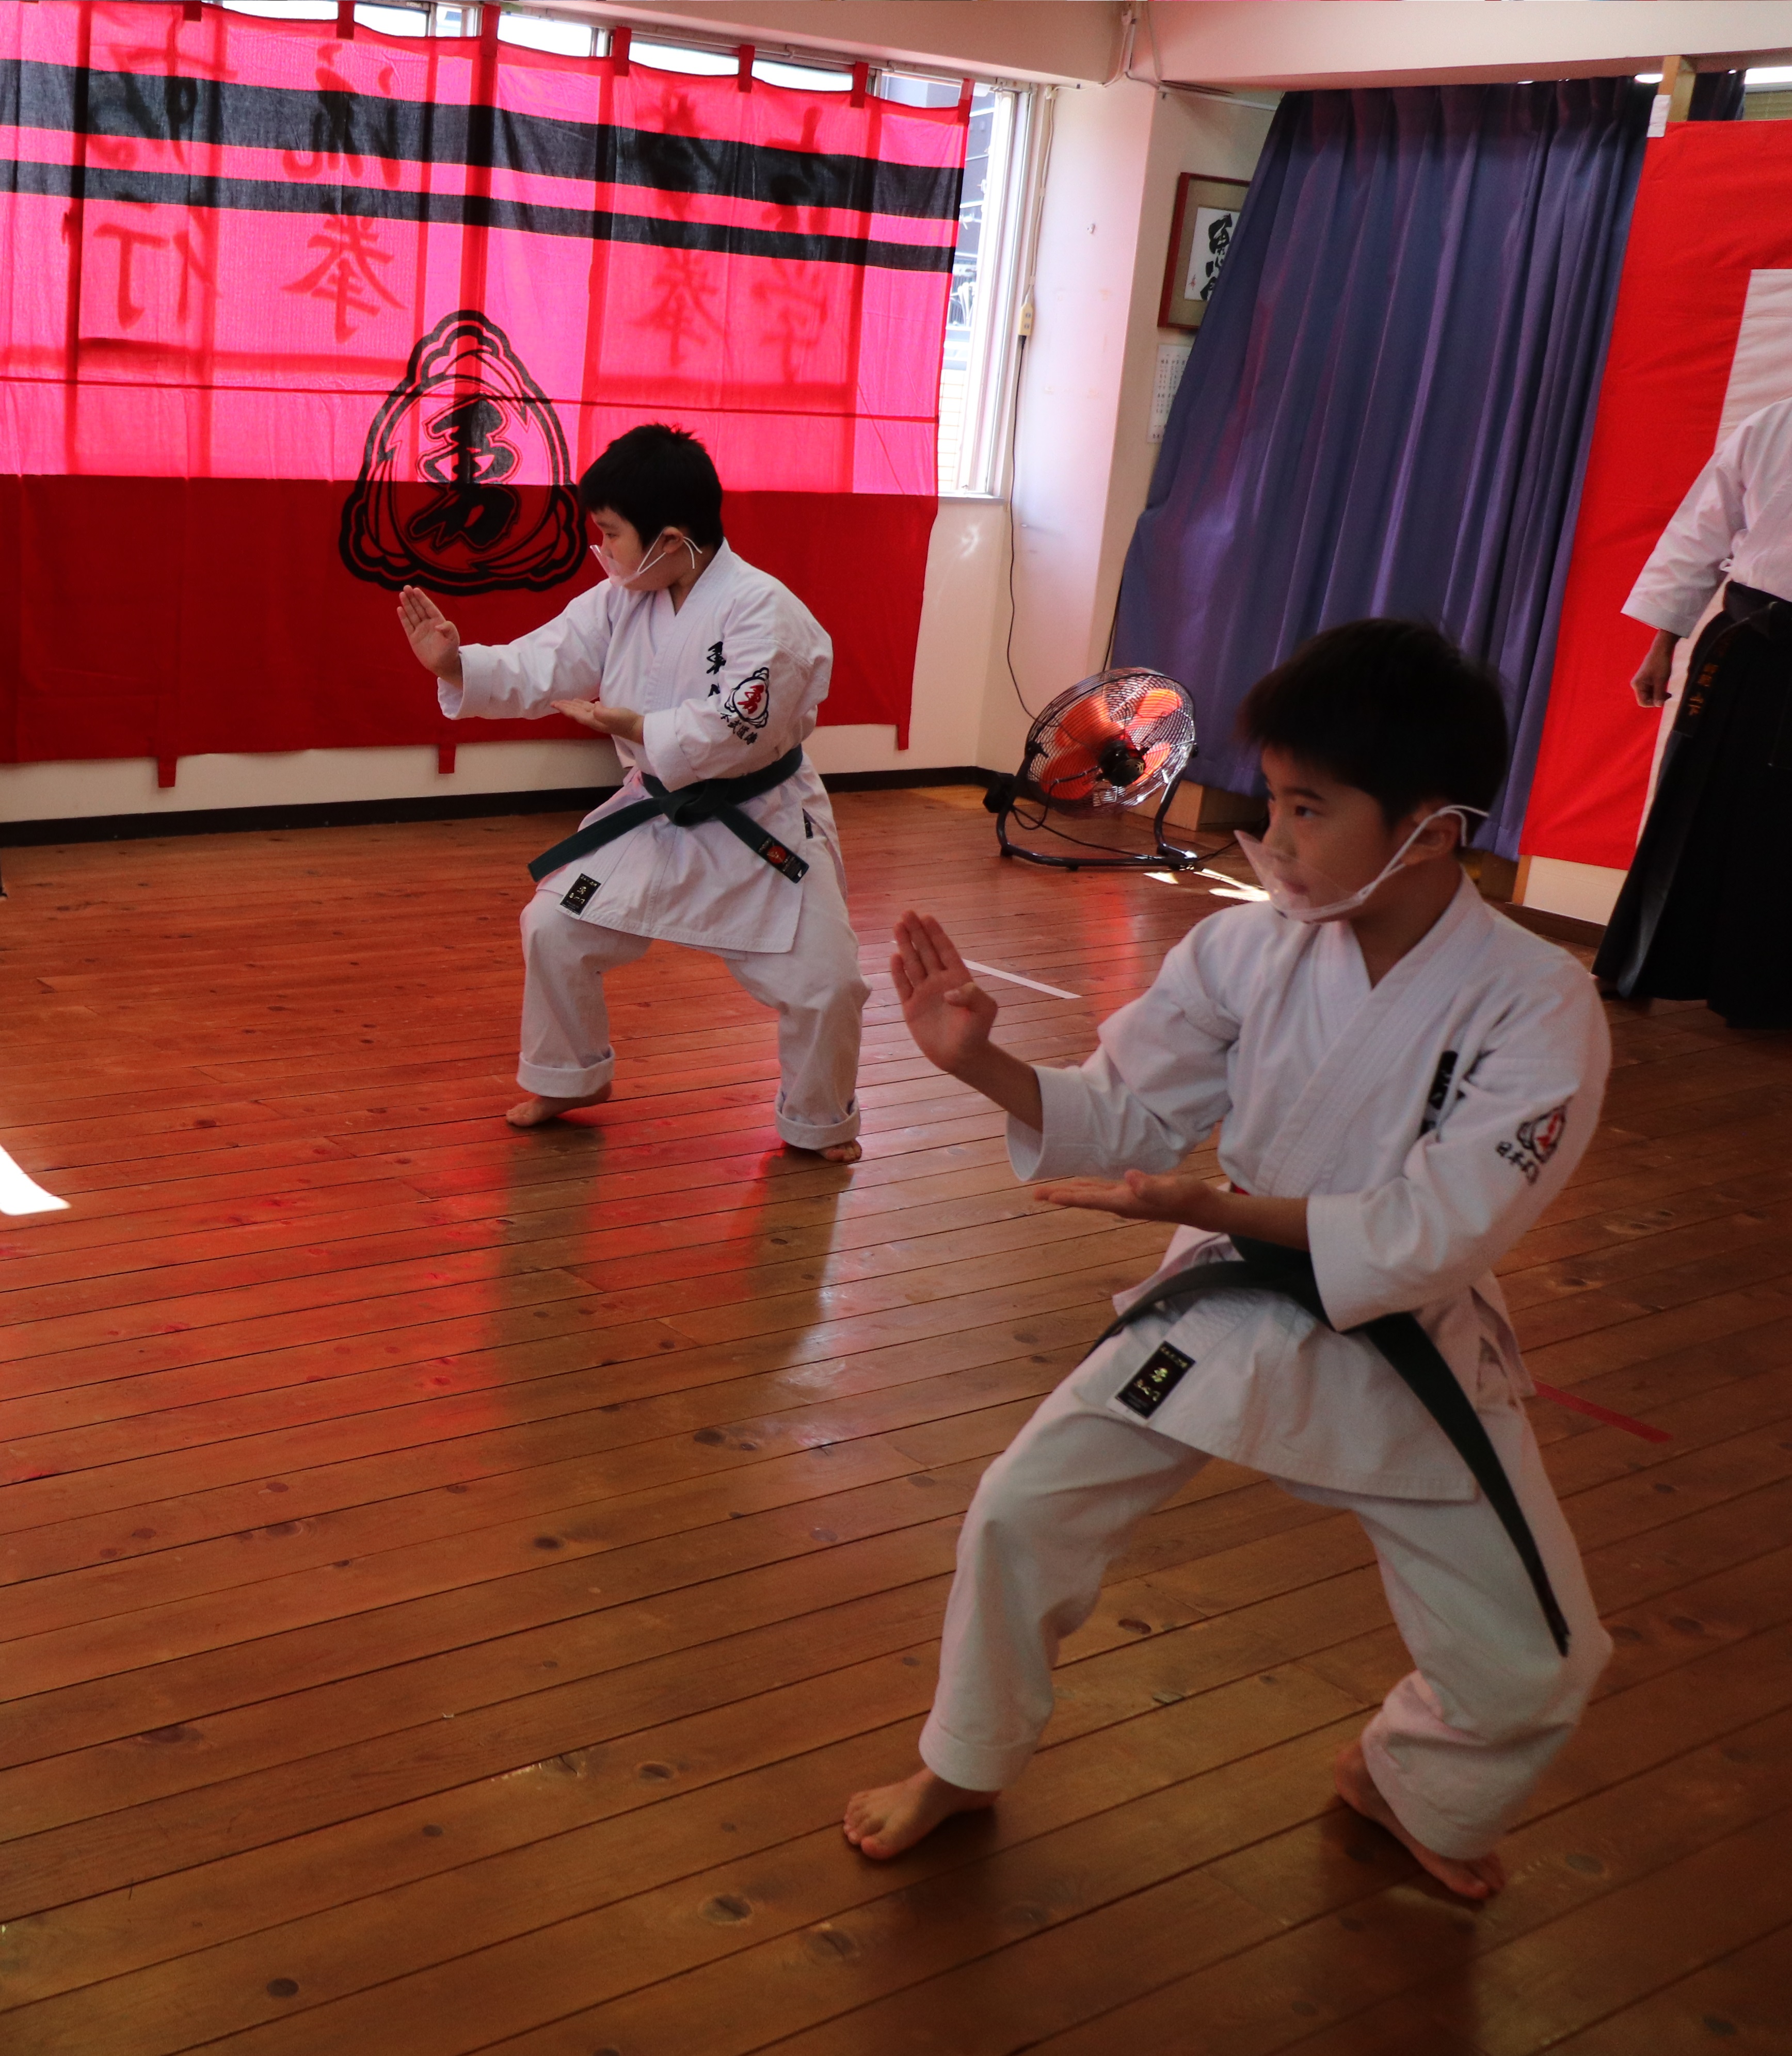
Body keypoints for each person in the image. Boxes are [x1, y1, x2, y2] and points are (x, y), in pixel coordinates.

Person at [844, 620, 1613, 1900]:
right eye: (1275, 799)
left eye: (1309, 809)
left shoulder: (1536, 1003)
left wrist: (1215, 1204)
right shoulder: (1246, 948)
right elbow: (1122, 1114)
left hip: (1404, 1340)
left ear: (1429, 829)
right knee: (1023, 1510)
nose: (1274, 836)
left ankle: (1405, 1779)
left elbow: (1443, 1230)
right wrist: (978, 1062)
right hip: (1223, 1314)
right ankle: (965, 1761)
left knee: (1539, 1658)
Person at [397, 424, 868, 1162]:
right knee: (553, 927)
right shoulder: (623, 599)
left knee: (827, 982)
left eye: (612, 534)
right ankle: (568, 1075)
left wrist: (636, 725)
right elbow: (549, 659)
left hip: (760, 821)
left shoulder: (765, 611)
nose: (604, 550)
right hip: (657, 815)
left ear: (671, 541)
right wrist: (458, 666)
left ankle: (819, 1120)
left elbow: (743, 723)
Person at [1595, 397, 1792, 1027]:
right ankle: (1637, 962)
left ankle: (1762, 994)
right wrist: (1663, 644)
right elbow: (1699, 534)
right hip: (1745, 643)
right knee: (1689, 802)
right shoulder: (1773, 425)